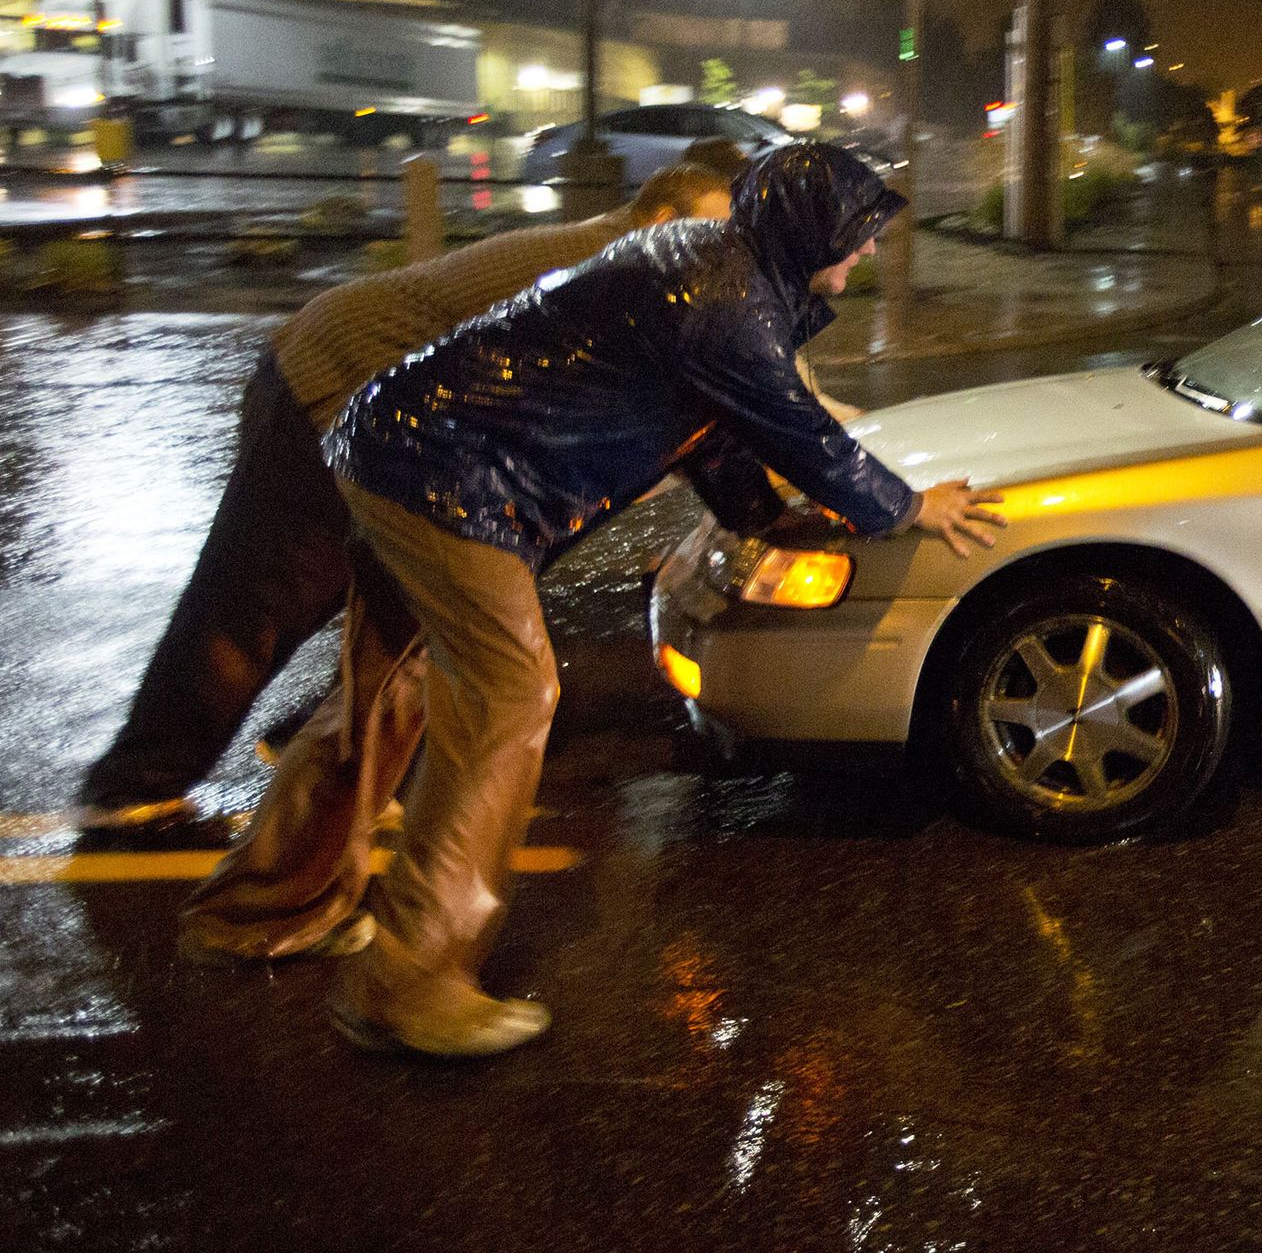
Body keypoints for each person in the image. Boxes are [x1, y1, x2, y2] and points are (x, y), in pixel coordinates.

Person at [180, 143, 1005, 1059]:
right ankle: (405, 983)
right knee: (509, 694)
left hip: (394, 451)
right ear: (810, 229)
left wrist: (768, 523)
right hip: (450, 482)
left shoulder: (721, 277)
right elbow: (801, 432)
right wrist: (908, 506)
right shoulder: (726, 297)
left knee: (388, 690)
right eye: (858, 235)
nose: (867, 254)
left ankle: (255, 912)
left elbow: (713, 433)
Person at [76, 161, 739, 831]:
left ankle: (327, 748)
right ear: (661, 220)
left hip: (415, 435)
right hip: (337, 382)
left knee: (418, 600)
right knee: (265, 597)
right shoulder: (624, 271)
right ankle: (135, 783)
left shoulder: (651, 277)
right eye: (719, 232)